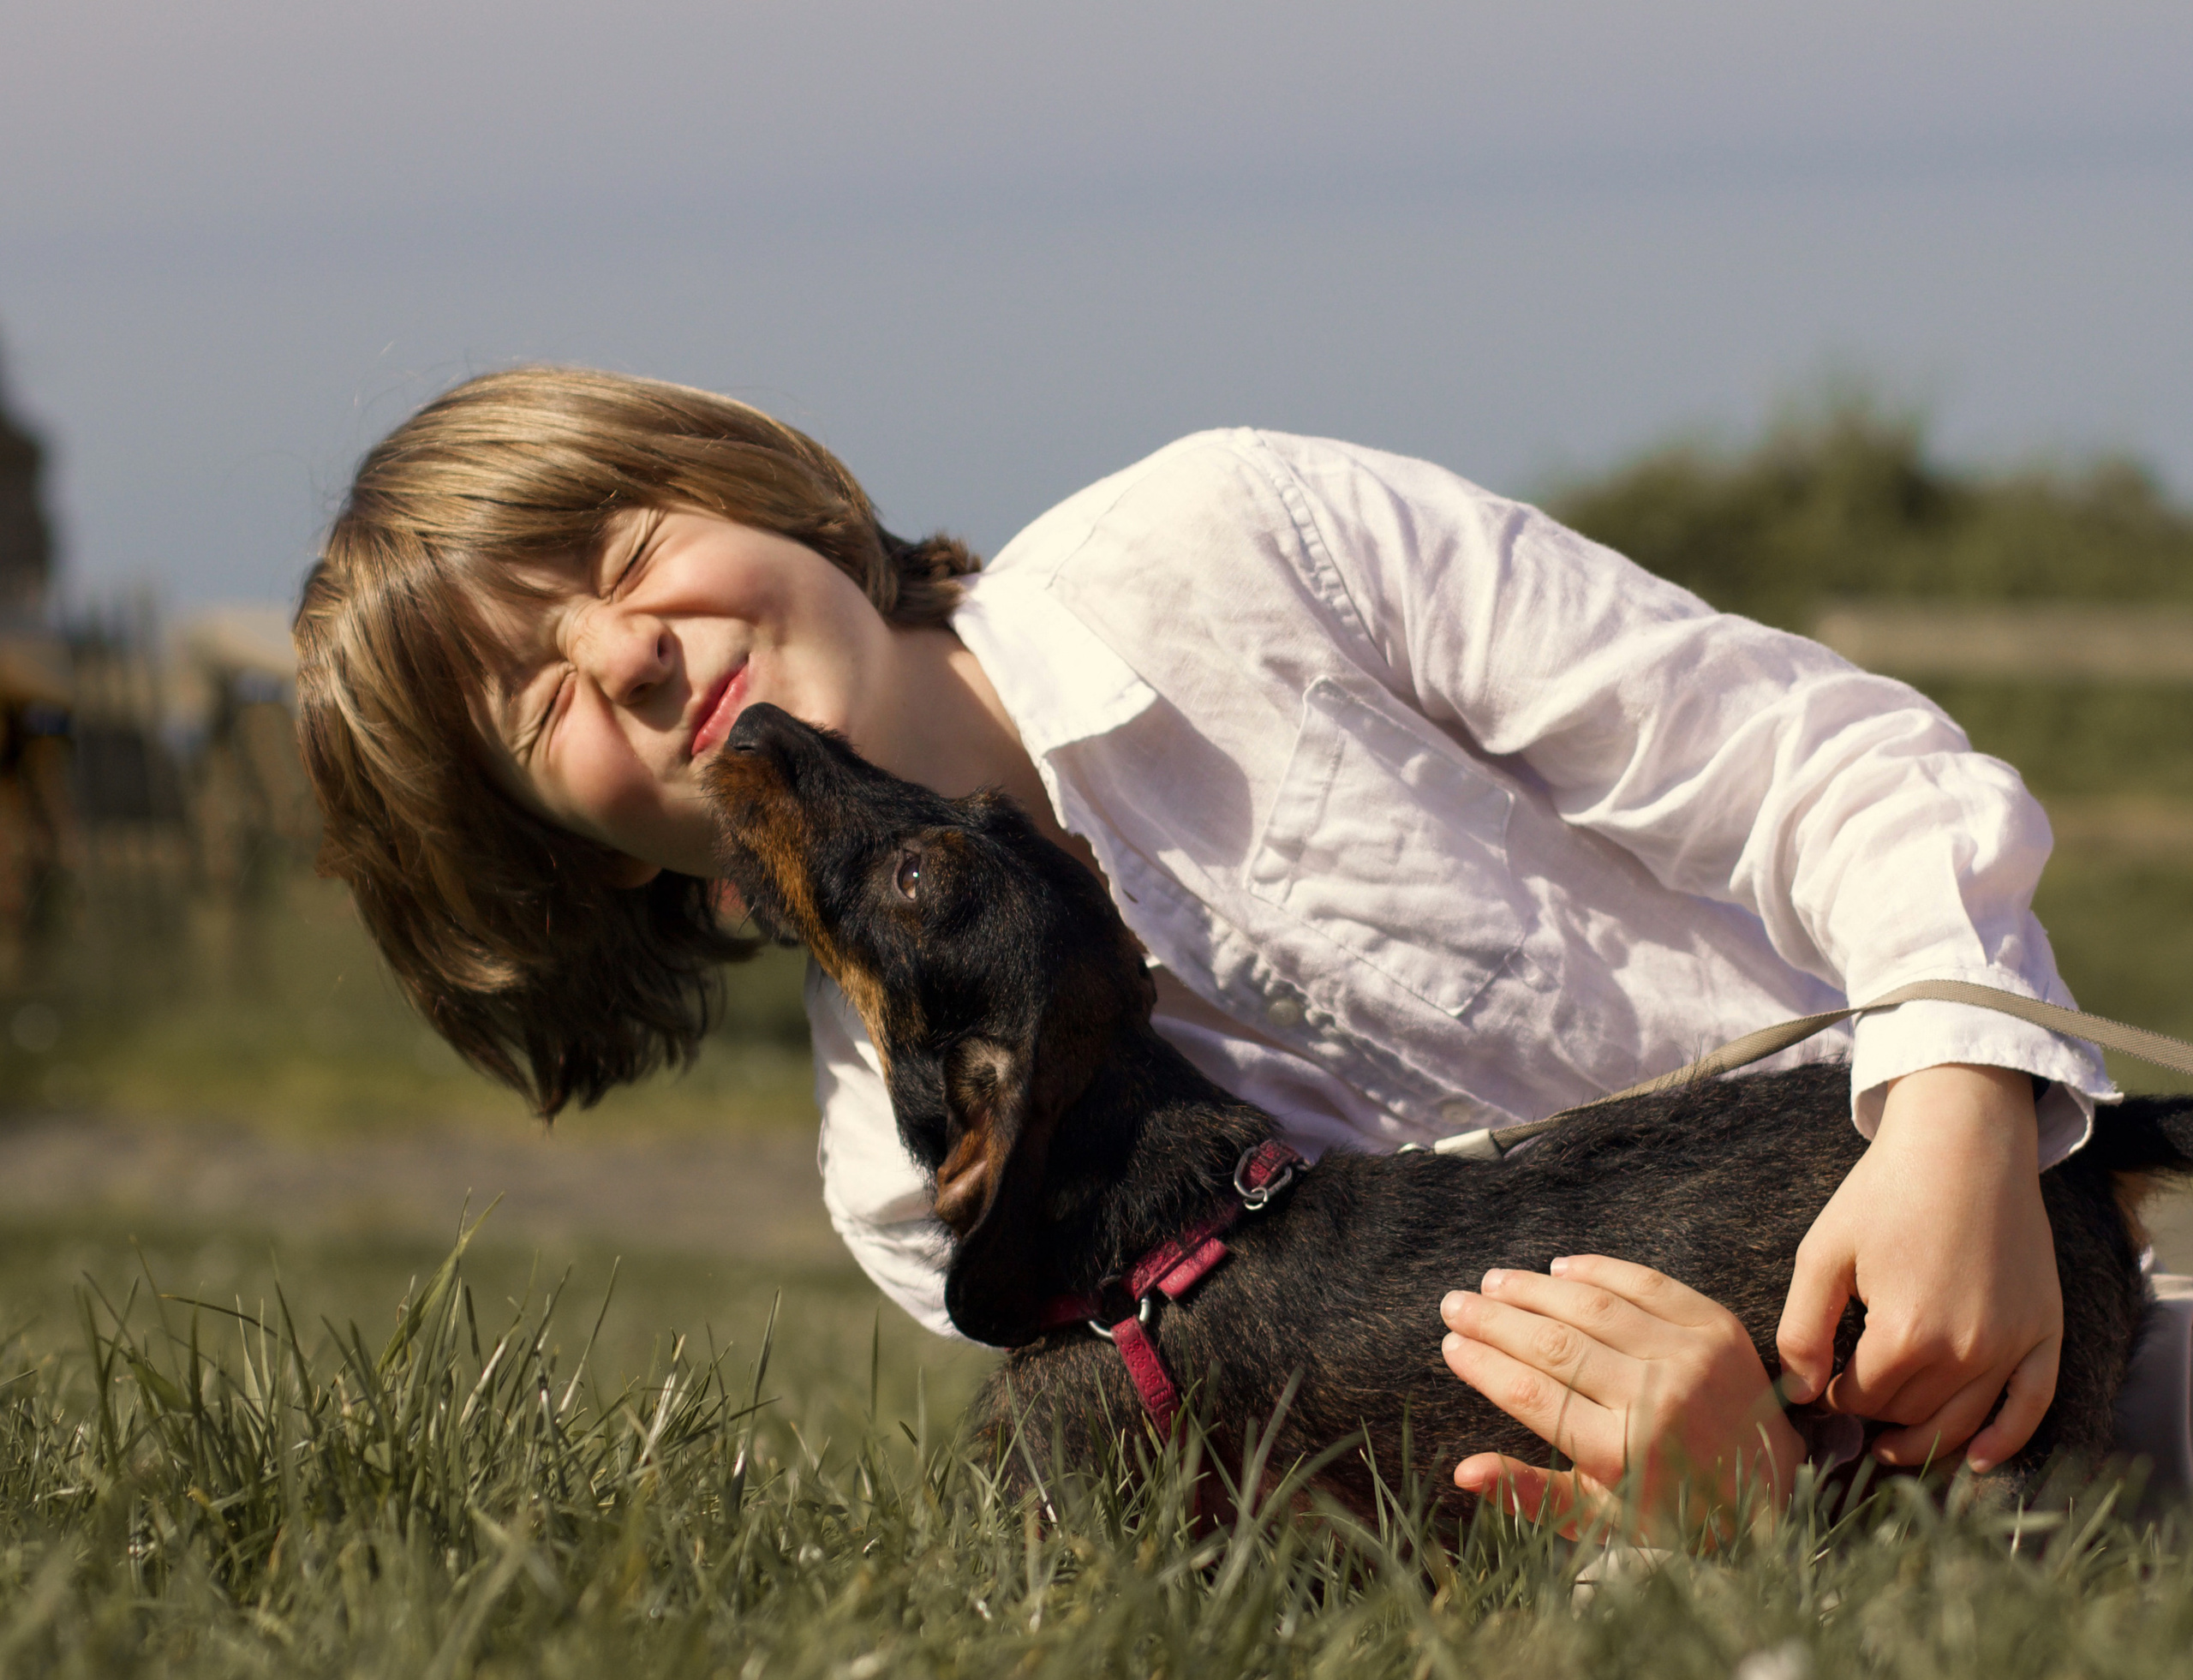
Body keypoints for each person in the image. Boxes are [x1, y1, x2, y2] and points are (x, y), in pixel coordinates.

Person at [294, 365, 2112, 1524]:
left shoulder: (1238, 539)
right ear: (584, 863)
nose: (627, 654)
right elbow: (1326, 1477)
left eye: (622, 558)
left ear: (754, 496)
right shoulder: (912, 1170)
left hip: (2074, 1218)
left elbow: (1815, 767)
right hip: (1908, 1518)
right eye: (542, 707)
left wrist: (1954, 1116)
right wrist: (1714, 1508)